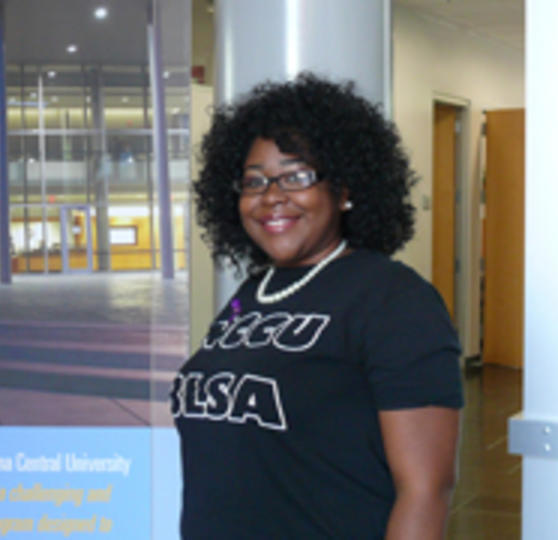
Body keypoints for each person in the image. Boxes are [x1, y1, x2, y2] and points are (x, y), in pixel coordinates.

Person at [174, 73, 463, 539]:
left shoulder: (394, 300)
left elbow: (426, 490)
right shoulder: (255, 292)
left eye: (297, 176)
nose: (272, 196)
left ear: (345, 189)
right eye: (254, 181)